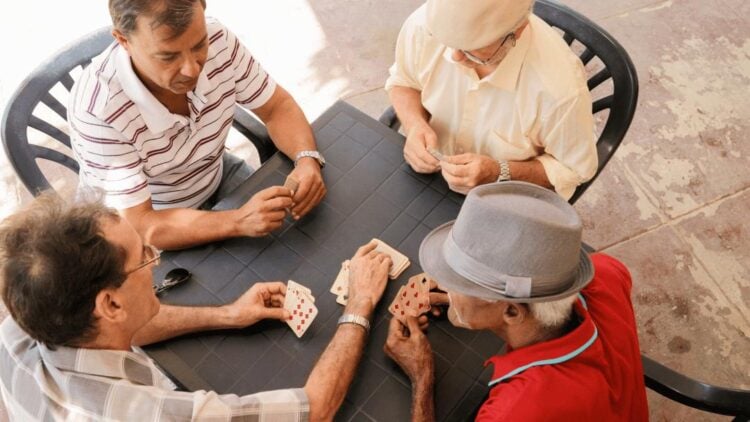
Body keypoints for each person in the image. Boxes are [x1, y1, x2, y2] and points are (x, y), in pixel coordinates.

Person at [0, 194, 392, 421]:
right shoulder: (150, 416)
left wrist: (228, 314)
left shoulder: (23, 322)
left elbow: (122, 325)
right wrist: (358, 304)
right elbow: (314, 409)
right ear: (111, 302)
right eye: (143, 258)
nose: (156, 262)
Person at [69, 0, 327, 250]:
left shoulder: (218, 39)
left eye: (198, 45)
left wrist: (306, 159)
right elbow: (139, 225)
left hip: (214, 173)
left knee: (305, 243)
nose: (192, 70)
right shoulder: (97, 110)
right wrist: (237, 221)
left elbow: (277, 107)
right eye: (168, 57)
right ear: (124, 41)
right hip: (152, 221)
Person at [383, 182, 648, 421]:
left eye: (460, 284)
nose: (448, 286)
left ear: (511, 310)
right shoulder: (607, 272)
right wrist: (470, 294)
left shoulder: (513, 411)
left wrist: (422, 377)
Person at [385, 0, 598, 199]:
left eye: (473, 50)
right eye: (450, 43)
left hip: (504, 198)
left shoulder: (560, 91)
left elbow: (571, 169)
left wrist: (499, 172)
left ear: (519, 30)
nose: (455, 57)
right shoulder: (425, 25)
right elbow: (404, 82)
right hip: (427, 178)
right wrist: (414, 125)